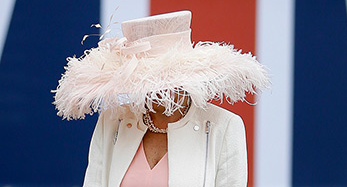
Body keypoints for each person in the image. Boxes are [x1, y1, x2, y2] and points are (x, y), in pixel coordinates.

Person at [54, 10, 269, 186]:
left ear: (187, 75)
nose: (158, 90)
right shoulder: (112, 121)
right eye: (146, 79)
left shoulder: (224, 126)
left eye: (166, 79)